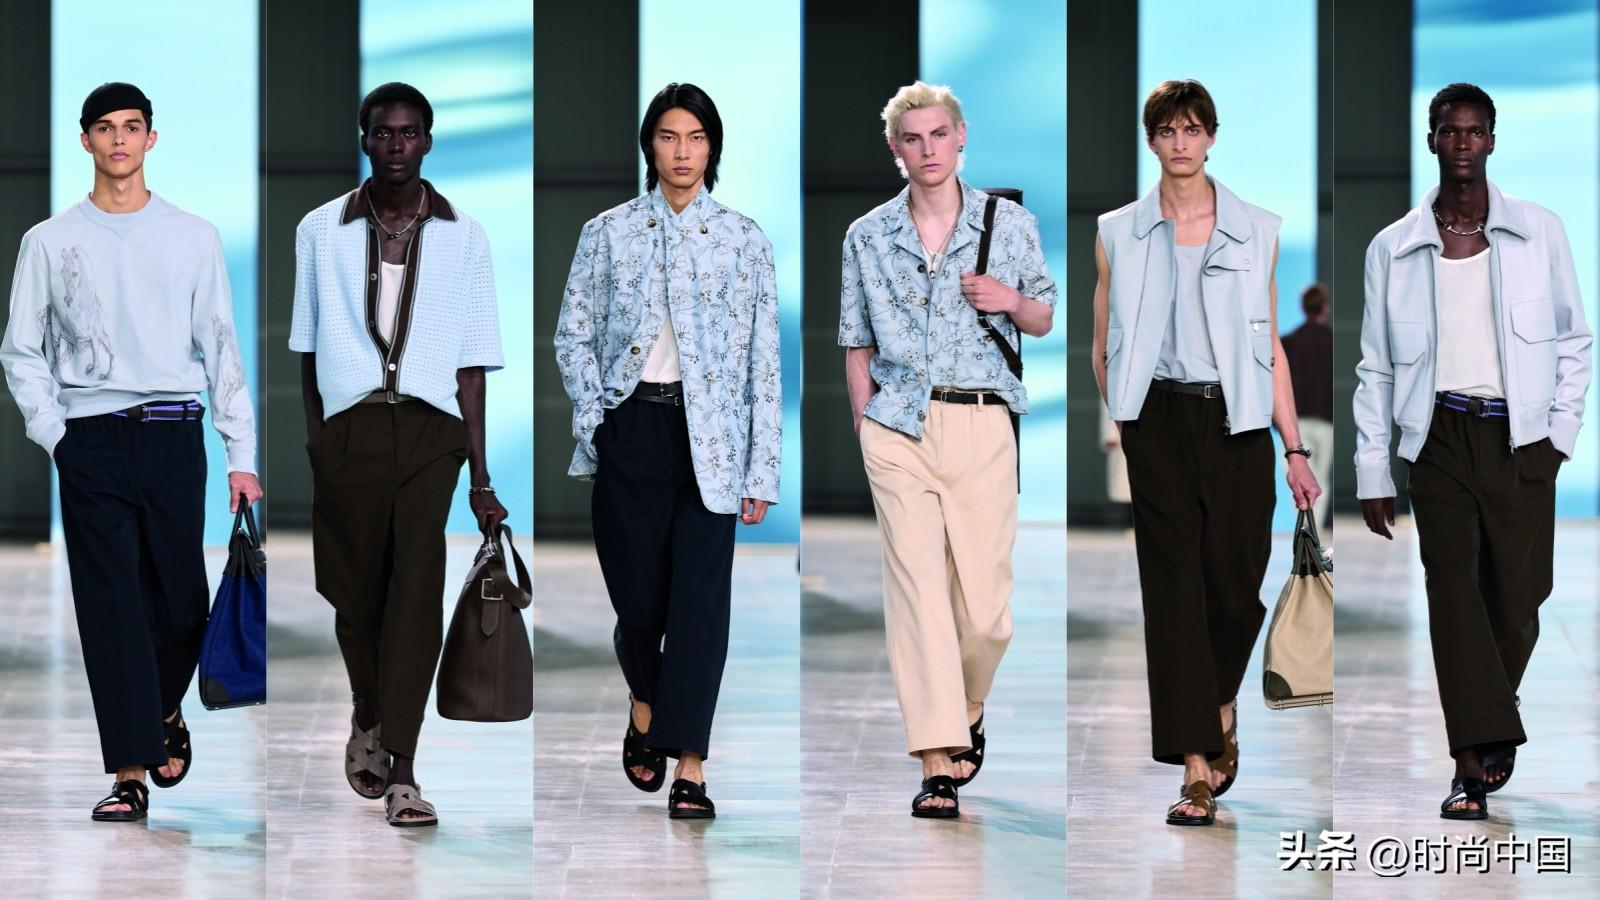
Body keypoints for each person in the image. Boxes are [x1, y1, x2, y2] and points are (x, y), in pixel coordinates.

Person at [0, 82, 263, 822]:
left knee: (181, 605)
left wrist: (241, 453)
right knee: (109, 607)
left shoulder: (193, 236)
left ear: (152, 138)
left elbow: (220, 344)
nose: (119, 139)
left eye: (132, 126)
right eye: (106, 128)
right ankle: (128, 772)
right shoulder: (48, 242)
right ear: (85, 140)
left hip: (174, 432)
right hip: (90, 440)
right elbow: (21, 350)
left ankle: (161, 709)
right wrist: (56, 436)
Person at [1352, 82, 1591, 820]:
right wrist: (1373, 467)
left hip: (1521, 440)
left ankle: (1493, 709)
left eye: (1475, 131)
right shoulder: (1392, 248)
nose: (1462, 143)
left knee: (1519, 600)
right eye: (1449, 131)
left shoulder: (1540, 232)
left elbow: (1574, 339)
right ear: (1431, 140)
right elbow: (1375, 367)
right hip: (1439, 438)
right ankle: (1469, 764)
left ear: (1492, 140)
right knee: (1452, 593)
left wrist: (1558, 437)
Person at [1091, 79, 1321, 826]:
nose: (1180, 143)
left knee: (1234, 583)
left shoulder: (1258, 230)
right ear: (1151, 140)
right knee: (1171, 590)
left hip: (1238, 423)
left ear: (1212, 137)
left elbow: (1270, 346)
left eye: (1192, 129)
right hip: (1157, 421)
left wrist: (1294, 446)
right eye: (1167, 130)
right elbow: (1102, 342)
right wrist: (1127, 420)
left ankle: (1219, 701)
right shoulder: (1118, 231)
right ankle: (1195, 763)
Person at [555, 82, 781, 820]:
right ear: (649, 145)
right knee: (638, 604)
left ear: (713, 148)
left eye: (696, 137)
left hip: (713, 440)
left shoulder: (744, 239)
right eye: (668, 136)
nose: (682, 152)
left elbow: (764, 360)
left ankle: (691, 766)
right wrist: (599, 420)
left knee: (700, 609)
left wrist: (762, 467)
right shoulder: (607, 232)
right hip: (633, 430)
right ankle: (646, 699)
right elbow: (572, 334)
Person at [289, 82, 507, 828]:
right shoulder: (319, 230)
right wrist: (318, 441)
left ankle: (405, 770)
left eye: (409, 133)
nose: (396, 146)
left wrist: (480, 479)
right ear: (364, 139)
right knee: (354, 596)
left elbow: (472, 365)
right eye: (383, 133)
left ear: (428, 141)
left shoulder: (465, 236)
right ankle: (368, 709)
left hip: (429, 434)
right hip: (348, 432)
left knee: (415, 593)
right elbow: (307, 349)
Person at [838, 81, 1056, 819]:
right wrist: (866, 426)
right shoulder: (867, 235)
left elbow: (1044, 316)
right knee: (919, 596)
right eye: (913, 138)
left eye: (939, 135)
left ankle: (966, 706)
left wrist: (1010, 300)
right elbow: (856, 342)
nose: (928, 149)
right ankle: (936, 759)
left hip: (984, 421)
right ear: (895, 149)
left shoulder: (1009, 224)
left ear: (961, 137)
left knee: (986, 610)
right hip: (898, 428)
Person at [1281, 283, 1333, 527]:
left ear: (1302, 307)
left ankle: (1303, 534)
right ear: (1325, 308)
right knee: (1320, 480)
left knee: (1297, 481)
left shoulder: (1289, 343)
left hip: (1296, 424)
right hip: (1325, 422)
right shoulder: (1331, 342)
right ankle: (1314, 536)